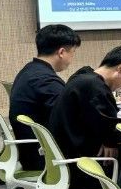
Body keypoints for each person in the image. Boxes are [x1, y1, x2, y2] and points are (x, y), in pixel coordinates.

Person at [49, 45, 121, 189]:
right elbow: (114, 129)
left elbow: (104, 124)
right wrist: (111, 139)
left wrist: (109, 138)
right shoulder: (94, 87)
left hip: (66, 163)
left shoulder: (82, 78)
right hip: (82, 171)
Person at [9, 24, 81, 172]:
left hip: (31, 151)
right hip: (45, 158)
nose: (72, 58)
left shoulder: (30, 70)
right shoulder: (46, 81)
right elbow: (68, 120)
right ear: (62, 52)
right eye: (73, 52)